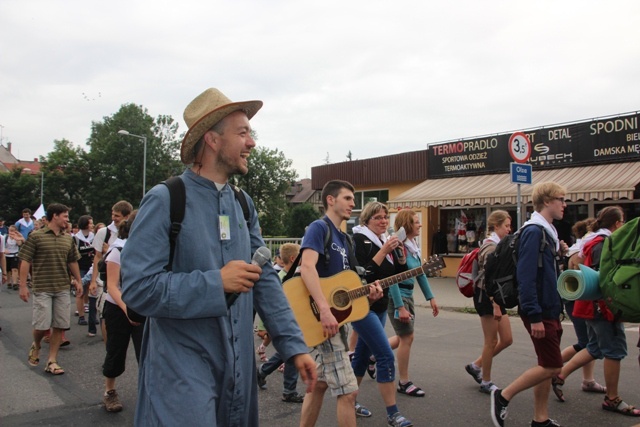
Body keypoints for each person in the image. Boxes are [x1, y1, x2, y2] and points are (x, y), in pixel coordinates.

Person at [120, 87, 315, 427]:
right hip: (181, 366)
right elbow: (137, 288)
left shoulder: (243, 204)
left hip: (239, 367)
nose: (251, 142)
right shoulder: (165, 199)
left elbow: (265, 278)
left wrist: (293, 346)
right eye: (242, 133)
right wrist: (215, 283)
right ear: (211, 140)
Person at [298, 180, 383, 427]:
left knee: (319, 386)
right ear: (330, 200)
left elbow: (346, 286)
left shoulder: (345, 239)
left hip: (336, 321)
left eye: (353, 200)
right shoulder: (318, 228)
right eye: (347, 198)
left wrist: (368, 293)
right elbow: (306, 267)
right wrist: (324, 309)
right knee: (348, 392)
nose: (353, 204)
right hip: (325, 320)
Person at [490, 182, 568, 427]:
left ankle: (540, 418)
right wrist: (534, 315)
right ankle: (503, 396)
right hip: (540, 309)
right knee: (553, 365)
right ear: (546, 201)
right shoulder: (535, 231)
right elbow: (526, 276)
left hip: (550, 307)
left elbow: (544, 271)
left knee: (545, 363)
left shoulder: (547, 232)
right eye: (560, 199)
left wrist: (560, 254)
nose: (564, 204)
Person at [551, 206, 640, 417]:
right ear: (617, 224)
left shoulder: (591, 240)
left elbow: (577, 266)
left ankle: (559, 375)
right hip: (602, 307)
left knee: (594, 347)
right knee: (614, 351)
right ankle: (612, 398)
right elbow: (607, 279)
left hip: (589, 305)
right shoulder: (606, 243)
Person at [350, 201, 413, 427]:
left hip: (379, 305)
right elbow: (363, 273)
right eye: (378, 217)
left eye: (386, 217)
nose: (384, 221)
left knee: (360, 357)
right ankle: (393, 413)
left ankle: (350, 401)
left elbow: (396, 274)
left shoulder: (384, 240)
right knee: (385, 355)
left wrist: (401, 255)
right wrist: (384, 250)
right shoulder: (359, 240)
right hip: (362, 306)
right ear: (366, 220)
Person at [18, 203, 83, 376]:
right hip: (42, 287)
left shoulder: (68, 238)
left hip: (62, 287)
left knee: (59, 325)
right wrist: (23, 285)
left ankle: (52, 361)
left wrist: (78, 280)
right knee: (42, 325)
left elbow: (72, 261)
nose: (67, 220)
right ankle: (37, 344)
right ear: (55, 216)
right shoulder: (36, 236)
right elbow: (25, 260)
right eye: (65, 216)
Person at [388, 209, 439, 397]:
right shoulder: (397, 246)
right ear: (407, 225)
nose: (420, 225)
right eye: (416, 222)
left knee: (405, 337)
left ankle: (371, 354)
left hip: (408, 296)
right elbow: (391, 278)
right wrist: (400, 306)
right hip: (398, 297)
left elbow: (420, 273)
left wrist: (430, 297)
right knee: (407, 337)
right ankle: (404, 382)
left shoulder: (411, 245)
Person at [464, 210, 513, 394]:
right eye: (506, 226)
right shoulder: (490, 247)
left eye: (509, 226)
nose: (509, 229)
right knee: (491, 341)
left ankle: (476, 365)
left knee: (507, 339)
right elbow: (489, 281)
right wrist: (495, 304)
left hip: (496, 298)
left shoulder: (499, 245)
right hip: (487, 297)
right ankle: (486, 381)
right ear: (496, 226)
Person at [557, 218, 606, 395]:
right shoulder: (583, 250)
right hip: (578, 300)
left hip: (576, 299)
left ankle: (588, 380)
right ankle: (552, 369)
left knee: (587, 342)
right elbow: (582, 274)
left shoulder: (579, 247)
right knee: (586, 343)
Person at [101, 210, 142, 412]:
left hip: (141, 308)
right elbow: (112, 286)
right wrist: (128, 309)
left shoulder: (147, 249)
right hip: (118, 308)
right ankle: (110, 392)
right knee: (116, 350)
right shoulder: (117, 250)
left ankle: (149, 391)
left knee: (147, 353)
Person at [257, 243, 306, 403]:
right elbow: (267, 303)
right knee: (293, 353)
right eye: (300, 255)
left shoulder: (298, 276)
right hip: (288, 324)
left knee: (289, 351)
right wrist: (263, 327)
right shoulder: (279, 280)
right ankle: (289, 390)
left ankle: (262, 372)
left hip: (296, 321)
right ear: (293, 258)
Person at [88, 201, 133, 304]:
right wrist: (93, 281)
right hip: (106, 282)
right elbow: (97, 257)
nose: (113, 218)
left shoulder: (134, 232)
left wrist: (109, 250)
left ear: (127, 216)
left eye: (117, 216)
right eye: (112, 214)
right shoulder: (104, 232)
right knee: (104, 314)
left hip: (126, 282)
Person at [74, 215, 95, 326]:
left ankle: (92, 315)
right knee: (80, 292)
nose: (92, 225)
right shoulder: (76, 238)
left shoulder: (94, 236)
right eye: (90, 223)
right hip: (81, 268)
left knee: (92, 291)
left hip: (92, 268)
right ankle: (81, 316)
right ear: (85, 224)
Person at [4, 225, 24, 290]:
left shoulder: (17, 237)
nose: (11, 232)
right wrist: (4, 250)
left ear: (15, 231)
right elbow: (2, 246)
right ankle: (9, 282)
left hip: (15, 255)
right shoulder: (6, 237)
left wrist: (16, 238)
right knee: (8, 270)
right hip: (7, 255)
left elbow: (20, 244)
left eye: (13, 230)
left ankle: (15, 283)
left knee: (14, 269)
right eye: (10, 230)